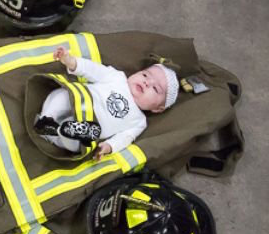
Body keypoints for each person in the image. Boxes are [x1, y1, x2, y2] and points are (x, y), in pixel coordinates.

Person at [34, 46, 179, 159]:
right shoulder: (117, 77)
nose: (147, 82)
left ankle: (58, 130)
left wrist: (109, 146)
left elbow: (125, 138)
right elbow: (93, 69)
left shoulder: (139, 121)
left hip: (88, 124)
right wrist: (71, 62)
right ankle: (47, 117)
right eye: (146, 75)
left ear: (158, 109)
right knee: (61, 96)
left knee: (77, 143)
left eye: (155, 88)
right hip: (78, 99)